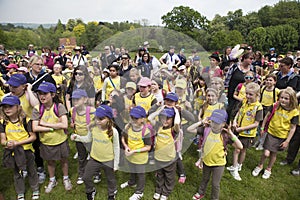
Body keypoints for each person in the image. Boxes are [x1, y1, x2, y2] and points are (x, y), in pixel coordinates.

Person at [188, 109, 243, 200]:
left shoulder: (225, 135)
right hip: (206, 162)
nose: (214, 124)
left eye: (217, 123)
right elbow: (189, 129)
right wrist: (201, 122)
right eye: (213, 121)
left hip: (219, 164)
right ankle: (201, 192)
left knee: (215, 184)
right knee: (204, 179)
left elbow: (240, 146)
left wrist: (231, 134)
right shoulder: (206, 129)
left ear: (223, 123)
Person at [71, 105, 119, 200]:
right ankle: (90, 190)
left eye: (101, 119)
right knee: (86, 177)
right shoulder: (93, 128)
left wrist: (116, 164)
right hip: (94, 159)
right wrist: (78, 137)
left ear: (109, 119)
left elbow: (116, 147)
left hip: (108, 160)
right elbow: (88, 139)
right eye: (96, 118)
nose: (97, 121)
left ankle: (112, 193)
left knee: (110, 179)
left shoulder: (113, 132)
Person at [32, 82, 72, 193]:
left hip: (61, 140)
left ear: (53, 95)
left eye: (45, 93)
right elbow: (35, 128)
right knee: (50, 162)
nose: (42, 96)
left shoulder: (59, 106)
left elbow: (64, 125)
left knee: (64, 160)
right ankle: (52, 179)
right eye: (40, 94)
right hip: (46, 142)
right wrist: (53, 128)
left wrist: (45, 124)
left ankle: (66, 178)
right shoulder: (37, 109)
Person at [252, 87, 298, 179]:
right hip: (270, 133)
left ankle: (269, 169)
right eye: (281, 97)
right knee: (266, 153)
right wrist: (262, 127)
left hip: (281, 136)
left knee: (273, 154)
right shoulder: (275, 106)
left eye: (286, 98)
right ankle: (260, 165)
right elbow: (267, 116)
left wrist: (287, 141)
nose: (283, 100)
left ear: (291, 99)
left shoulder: (294, 112)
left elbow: (293, 128)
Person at [0, 95, 40, 200]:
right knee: (17, 173)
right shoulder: (3, 122)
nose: (7, 109)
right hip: (13, 152)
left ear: (18, 107)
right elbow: (2, 140)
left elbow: (33, 137)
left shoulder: (26, 120)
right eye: (5, 107)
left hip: (26, 150)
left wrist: (18, 143)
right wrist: (7, 144)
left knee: (31, 170)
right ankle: (20, 192)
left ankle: (35, 188)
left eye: (10, 106)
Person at [227, 82, 263, 181]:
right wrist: (234, 121)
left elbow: (256, 123)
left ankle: (238, 165)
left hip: (247, 133)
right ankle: (234, 167)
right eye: (246, 93)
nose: (247, 96)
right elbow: (239, 112)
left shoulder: (258, 107)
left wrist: (242, 129)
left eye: (250, 94)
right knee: (237, 149)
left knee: (242, 150)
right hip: (238, 130)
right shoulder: (244, 101)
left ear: (257, 95)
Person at [148, 106, 181, 200]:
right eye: (163, 117)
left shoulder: (174, 130)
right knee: (160, 175)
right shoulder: (159, 126)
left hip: (169, 159)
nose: (165, 120)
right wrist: (160, 109)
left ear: (173, 119)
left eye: (168, 118)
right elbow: (150, 118)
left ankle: (166, 192)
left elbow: (177, 123)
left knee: (169, 177)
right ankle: (158, 190)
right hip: (158, 157)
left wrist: (176, 111)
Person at [120, 106, 152, 200]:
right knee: (132, 170)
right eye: (132, 117)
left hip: (140, 159)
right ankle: (132, 182)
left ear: (142, 119)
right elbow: (123, 138)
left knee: (140, 174)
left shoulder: (145, 131)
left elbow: (148, 147)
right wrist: (126, 147)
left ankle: (139, 192)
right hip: (130, 156)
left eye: (136, 118)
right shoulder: (128, 127)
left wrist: (134, 151)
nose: (133, 120)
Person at [69, 89, 96, 185]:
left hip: (90, 138)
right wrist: (72, 124)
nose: (75, 101)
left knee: (94, 156)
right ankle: (82, 173)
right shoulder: (72, 110)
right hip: (79, 138)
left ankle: (96, 173)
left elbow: (97, 123)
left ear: (84, 100)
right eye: (74, 99)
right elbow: (73, 121)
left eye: (78, 99)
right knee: (81, 156)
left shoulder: (92, 111)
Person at [224, 52, 256, 121]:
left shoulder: (252, 68)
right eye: (250, 58)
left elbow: (254, 82)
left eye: (253, 59)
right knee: (230, 110)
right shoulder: (234, 66)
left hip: (245, 95)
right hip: (232, 92)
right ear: (244, 58)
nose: (252, 60)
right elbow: (227, 78)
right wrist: (226, 90)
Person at [256, 74, 280, 150]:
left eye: (271, 80)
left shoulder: (276, 91)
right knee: (260, 126)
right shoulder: (263, 88)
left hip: (270, 109)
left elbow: (278, 100)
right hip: (262, 107)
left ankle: (262, 143)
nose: (268, 82)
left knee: (266, 126)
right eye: (267, 80)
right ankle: (259, 140)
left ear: (275, 82)